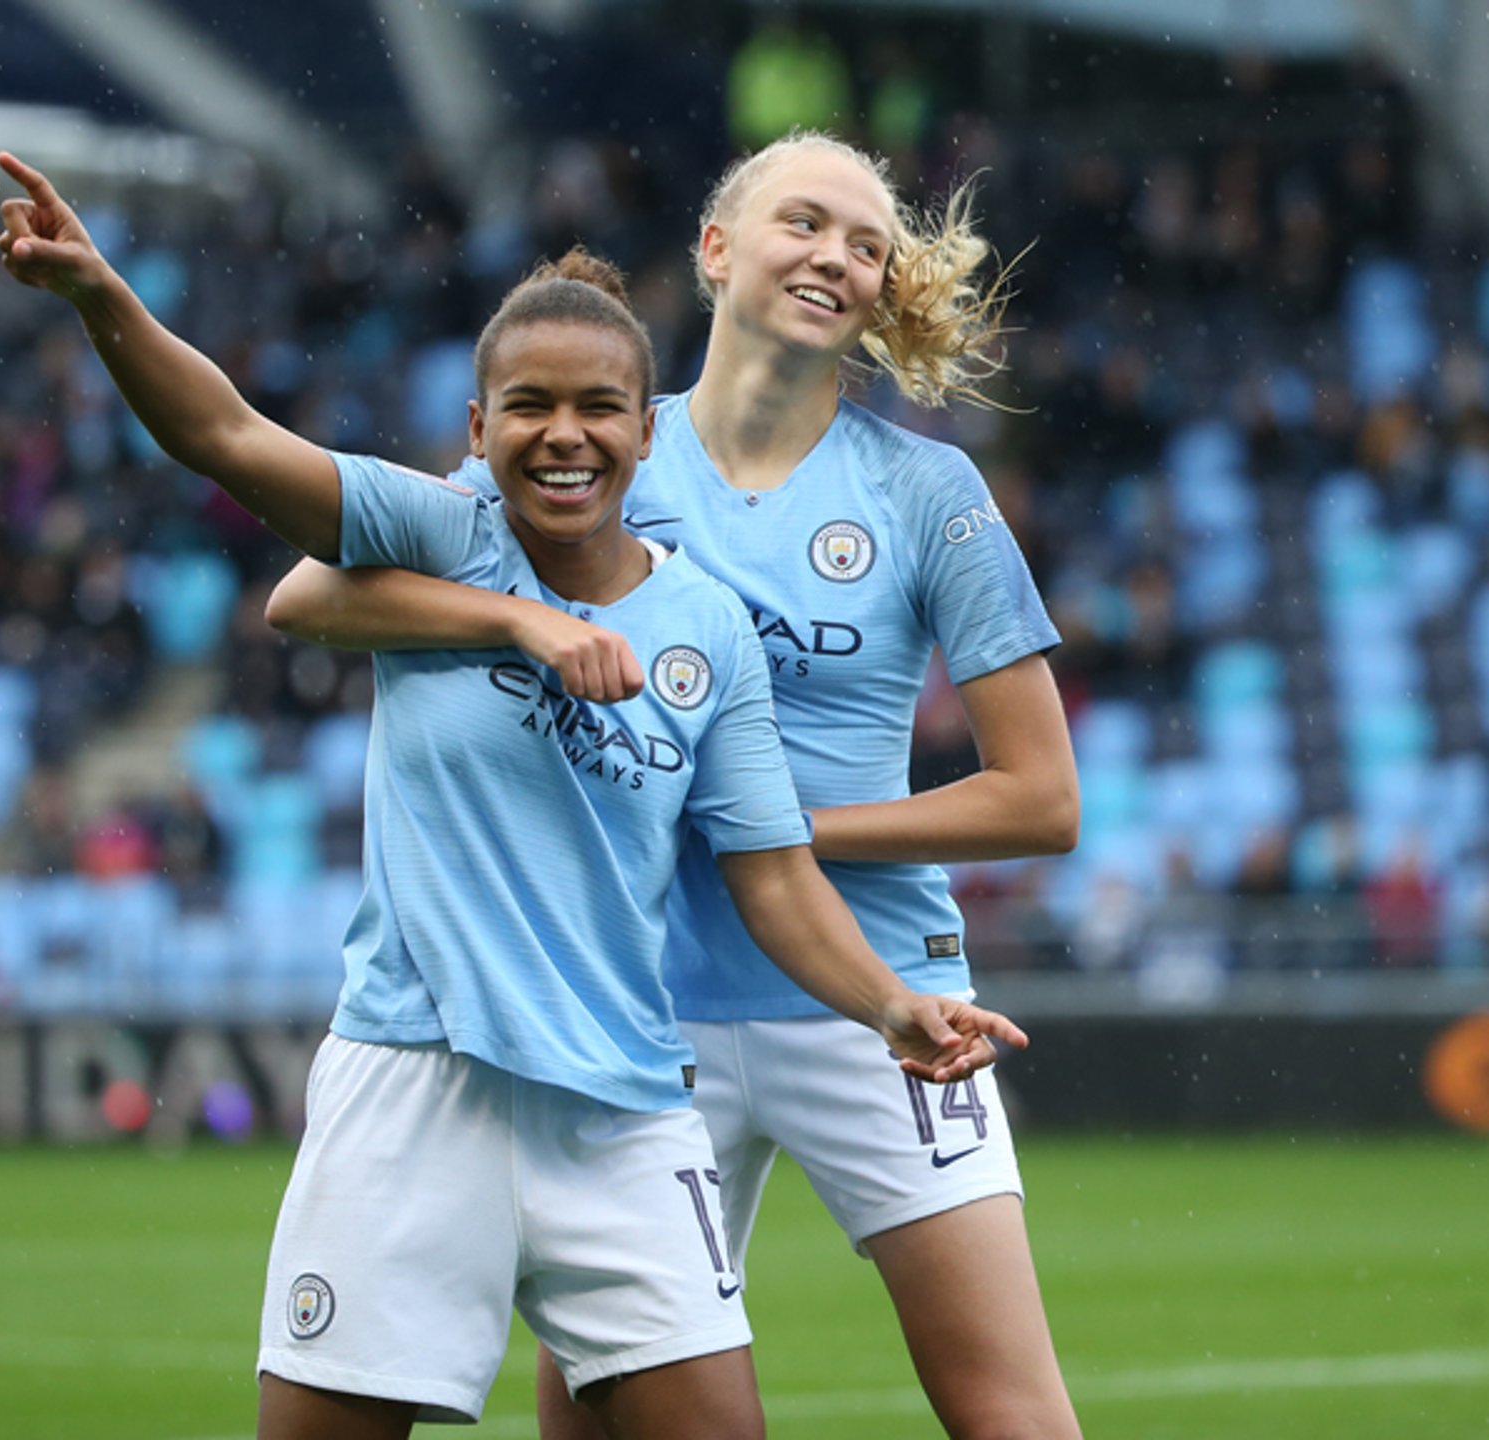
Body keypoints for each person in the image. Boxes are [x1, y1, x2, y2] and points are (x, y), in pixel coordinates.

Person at [0, 152, 1026, 1440]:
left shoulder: (711, 629)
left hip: (627, 1104)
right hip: (416, 1082)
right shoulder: (445, 537)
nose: (565, 434)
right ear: (476, 434)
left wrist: (892, 1007)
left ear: (644, 434)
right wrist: (105, 302)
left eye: (600, 408)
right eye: (527, 407)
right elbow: (228, 441)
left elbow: (771, 874)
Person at [266, 132, 1084, 1439]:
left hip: (872, 990)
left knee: (1013, 1416)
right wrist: (514, 626)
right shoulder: (594, 441)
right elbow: (326, 595)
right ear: (714, 249)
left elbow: (1043, 802)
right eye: (803, 222)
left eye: (867, 243)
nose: (836, 256)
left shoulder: (931, 491)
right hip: (636, 1018)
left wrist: (778, 829)